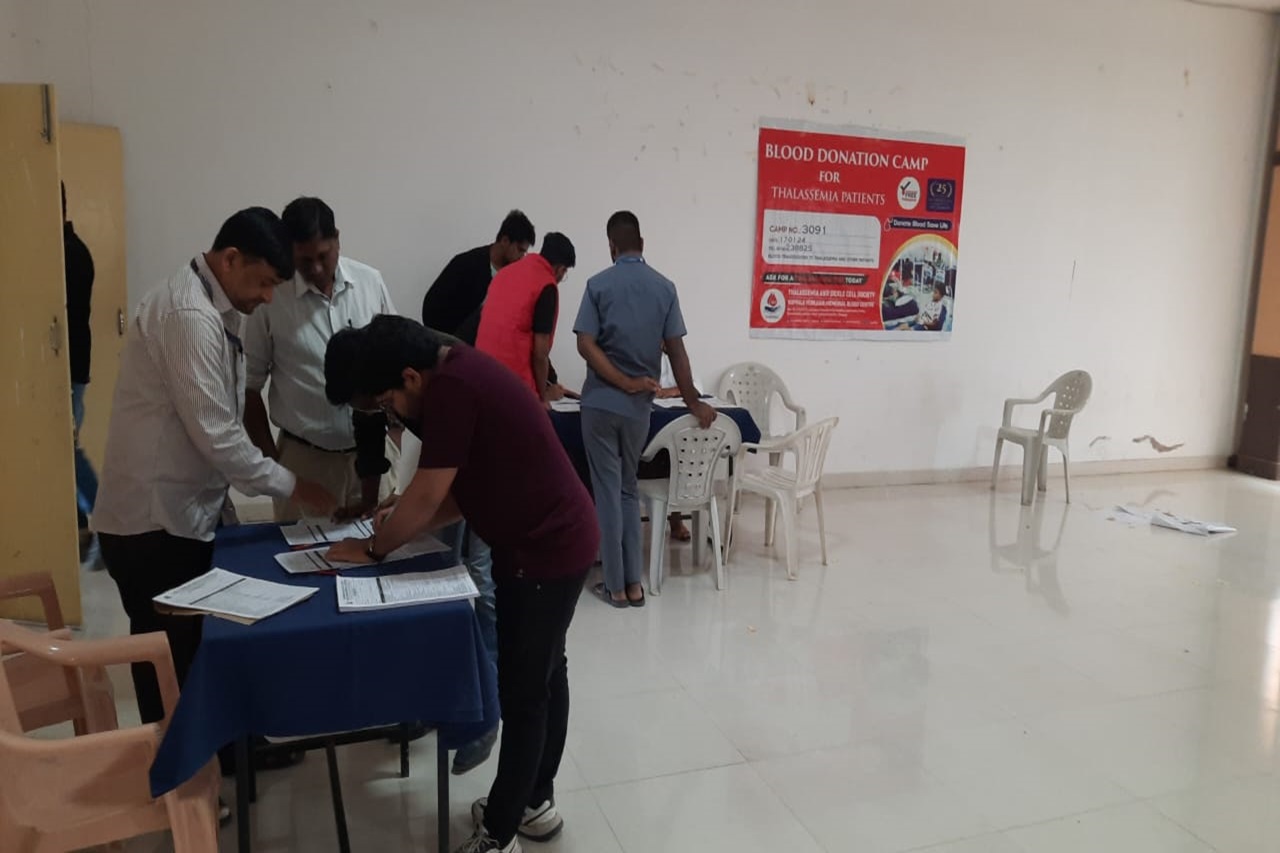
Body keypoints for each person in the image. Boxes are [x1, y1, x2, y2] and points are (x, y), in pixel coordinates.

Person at [323, 315, 598, 853]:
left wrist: (375, 547)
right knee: (545, 674)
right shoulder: (456, 373)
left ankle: (499, 833)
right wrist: (402, 519)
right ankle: (534, 803)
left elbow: (429, 494)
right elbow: (454, 496)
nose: (392, 415)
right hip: (554, 540)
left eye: (388, 403)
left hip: (544, 549)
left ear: (410, 377)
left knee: (525, 693)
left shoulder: (453, 389)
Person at [93, 207, 335, 779]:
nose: (268, 297)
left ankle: (230, 753)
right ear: (230, 260)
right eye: (264, 282)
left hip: (186, 511)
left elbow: (216, 422)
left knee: (206, 646)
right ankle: (178, 783)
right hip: (150, 523)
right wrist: (295, 485)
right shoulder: (188, 315)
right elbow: (219, 436)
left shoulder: (219, 306)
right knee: (166, 658)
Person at [419, 211, 541, 773]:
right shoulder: (469, 271)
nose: (522, 261)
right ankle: (446, 695)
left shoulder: (515, 288)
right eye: (520, 250)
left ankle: (485, 700)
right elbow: (434, 314)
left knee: (482, 578)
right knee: (447, 571)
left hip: (492, 454)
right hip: (469, 436)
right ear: (505, 242)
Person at [573, 211, 713, 607]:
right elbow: (678, 351)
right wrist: (694, 402)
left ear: (611, 246)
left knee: (606, 492)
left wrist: (620, 381)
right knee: (628, 491)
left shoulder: (597, 285)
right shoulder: (664, 288)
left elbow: (585, 343)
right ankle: (635, 585)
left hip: (600, 405)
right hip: (639, 411)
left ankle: (614, 587)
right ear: (642, 244)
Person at [242, 197, 397, 522]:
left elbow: (396, 366)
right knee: (300, 552)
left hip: (374, 460)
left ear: (337, 239)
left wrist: (394, 444)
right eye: (304, 260)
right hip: (303, 463)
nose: (315, 268)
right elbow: (249, 388)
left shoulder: (370, 282)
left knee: (378, 548)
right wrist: (275, 468)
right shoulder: (271, 298)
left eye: (323, 256)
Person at [475, 233, 576, 403]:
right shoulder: (546, 285)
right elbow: (539, 353)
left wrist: (551, 382)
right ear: (560, 269)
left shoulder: (506, 272)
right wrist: (544, 397)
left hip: (481, 373)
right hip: (513, 387)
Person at [421, 209, 535, 345]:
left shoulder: (513, 278)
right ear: (505, 240)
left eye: (524, 252)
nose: (521, 257)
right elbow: (431, 306)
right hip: (449, 344)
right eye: (520, 250)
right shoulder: (466, 263)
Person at [62, 182, 99, 564]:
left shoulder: (68, 254)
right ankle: (85, 528)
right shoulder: (69, 249)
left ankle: (103, 529)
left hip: (67, 371)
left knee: (67, 454)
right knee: (66, 454)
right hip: (70, 369)